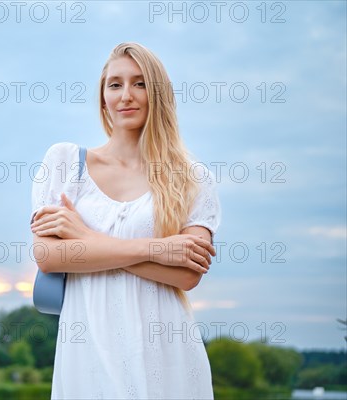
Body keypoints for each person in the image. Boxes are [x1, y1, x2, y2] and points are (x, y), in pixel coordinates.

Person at [30, 42, 221, 399]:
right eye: (114, 84)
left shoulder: (193, 178)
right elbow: (50, 256)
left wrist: (85, 237)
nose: (126, 96)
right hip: (85, 354)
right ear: (102, 97)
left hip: (167, 356)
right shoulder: (65, 163)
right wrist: (158, 249)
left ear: (158, 94)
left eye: (140, 83)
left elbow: (187, 273)